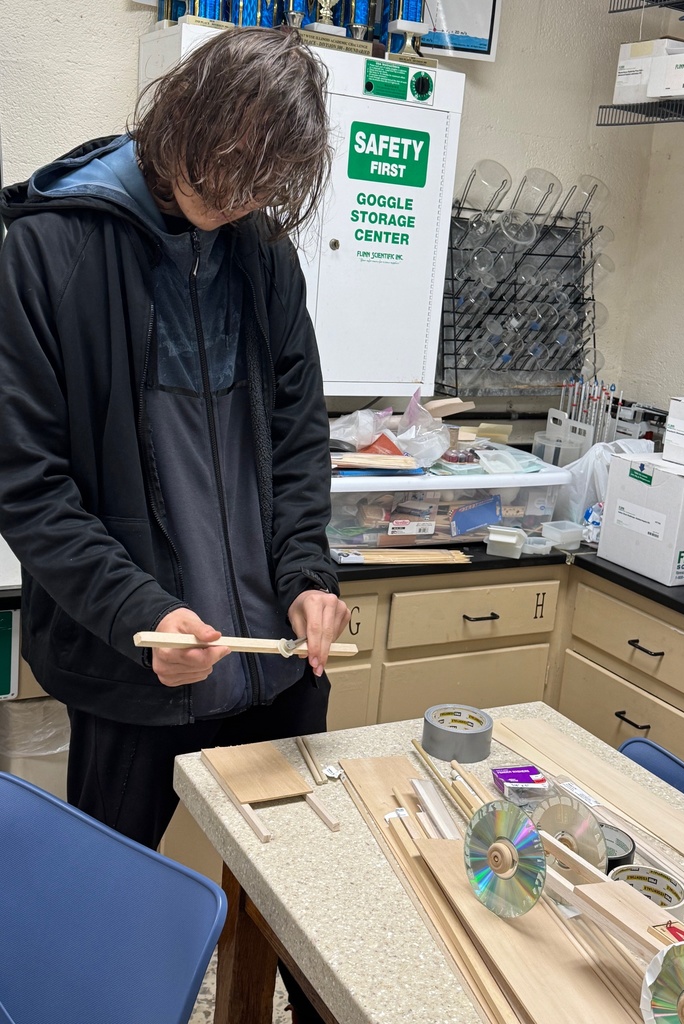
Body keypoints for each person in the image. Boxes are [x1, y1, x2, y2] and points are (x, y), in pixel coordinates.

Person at [0, 26, 349, 1023]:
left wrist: (309, 573)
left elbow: (297, 442)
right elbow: (28, 485)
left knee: (313, 914)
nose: (236, 199)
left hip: (274, 667)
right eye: (225, 168)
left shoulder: (263, 258)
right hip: (136, 668)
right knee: (98, 922)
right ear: (176, 116)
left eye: (263, 184)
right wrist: (140, 615)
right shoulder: (49, 252)